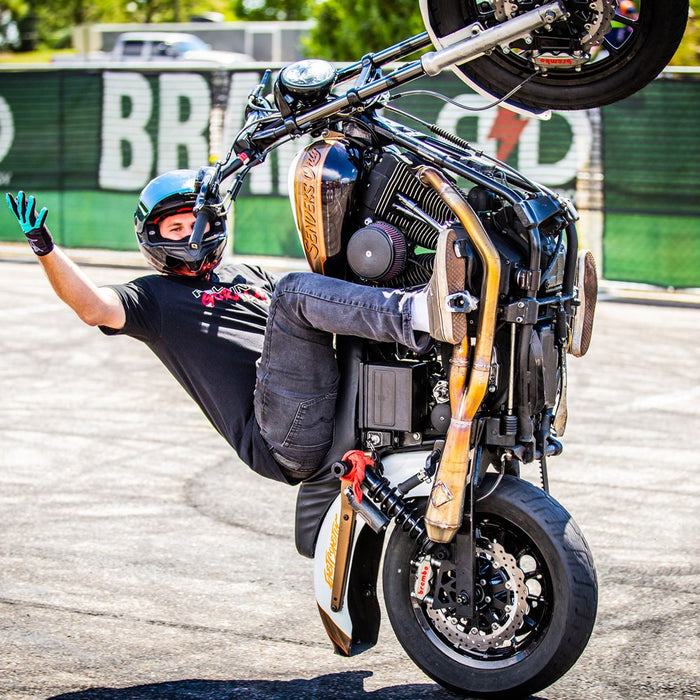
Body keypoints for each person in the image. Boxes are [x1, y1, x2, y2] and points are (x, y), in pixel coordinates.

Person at [6, 170, 466, 484]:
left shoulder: (247, 275)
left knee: (327, 284)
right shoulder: (153, 298)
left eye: (196, 225)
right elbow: (92, 307)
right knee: (293, 292)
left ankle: (457, 316)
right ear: (153, 238)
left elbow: (329, 307)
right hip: (280, 436)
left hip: (321, 398)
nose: (189, 236)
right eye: (175, 229)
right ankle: (424, 314)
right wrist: (45, 247)